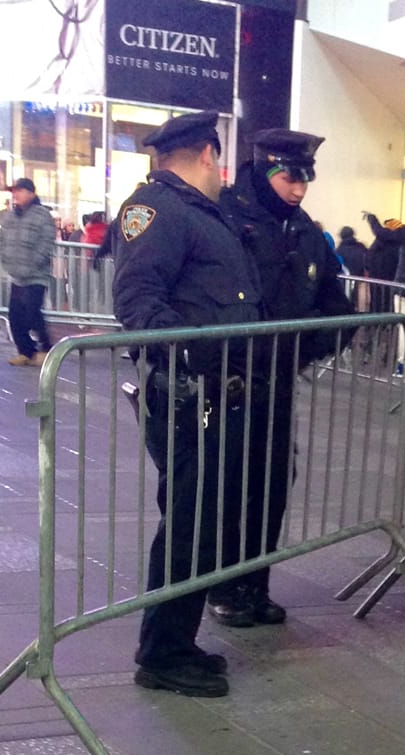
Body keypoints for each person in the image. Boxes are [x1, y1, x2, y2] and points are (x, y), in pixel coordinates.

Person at [111, 110, 262, 698]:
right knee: (188, 526)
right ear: (206, 153)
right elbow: (137, 299)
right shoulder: (157, 209)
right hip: (188, 394)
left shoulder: (196, 210)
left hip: (213, 395)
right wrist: (188, 356)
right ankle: (162, 653)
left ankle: (179, 639)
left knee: (201, 526)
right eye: (219, 160)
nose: (222, 171)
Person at [207, 129, 351, 629]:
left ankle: (255, 583)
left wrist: (298, 352)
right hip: (230, 380)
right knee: (228, 486)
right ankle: (223, 586)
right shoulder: (224, 217)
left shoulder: (304, 230)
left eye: (305, 179)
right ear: (266, 169)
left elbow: (337, 307)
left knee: (270, 485)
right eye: (290, 178)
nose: (298, 189)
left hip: (278, 380)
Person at [0, 179, 57, 368]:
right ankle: (25, 351)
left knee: (32, 310)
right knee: (15, 314)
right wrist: (6, 261)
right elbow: (2, 241)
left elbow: (47, 242)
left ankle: (47, 348)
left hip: (36, 275)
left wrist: (33, 264)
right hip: (16, 274)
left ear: (31, 193)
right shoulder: (9, 217)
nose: (15, 195)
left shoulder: (42, 215)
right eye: (14, 191)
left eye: (19, 191)